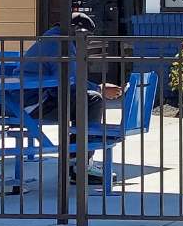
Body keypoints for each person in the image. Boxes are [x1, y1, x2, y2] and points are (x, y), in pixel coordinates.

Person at [24, 12, 123, 184]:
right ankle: (80, 165)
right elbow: (70, 80)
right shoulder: (61, 43)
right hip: (32, 102)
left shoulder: (53, 39)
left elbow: (68, 80)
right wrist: (100, 88)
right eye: (86, 36)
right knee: (92, 100)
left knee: (82, 101)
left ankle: (76, 161)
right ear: (77, 30)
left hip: (32, 98)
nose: (86, 41)